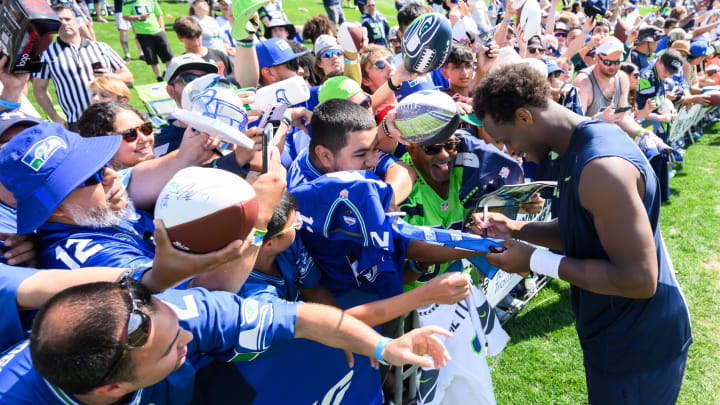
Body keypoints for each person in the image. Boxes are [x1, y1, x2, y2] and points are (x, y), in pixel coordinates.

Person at [472, 63, 691, 404]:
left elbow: (638, 279)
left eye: (506, 140)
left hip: (639, 347)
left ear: (525, 117)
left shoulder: (600, 167)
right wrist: (517, 228)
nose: (509, 151)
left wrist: (533, 260)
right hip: (616, 335)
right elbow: (582, 228)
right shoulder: (582, 144)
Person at [0, 274, 453, 405]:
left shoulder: (182, 314)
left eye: (174, 322)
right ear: (111, 389)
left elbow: (306, 319)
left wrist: (380, 346)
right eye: (171, 349)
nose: (188, 337)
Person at [32, 4, 132, 131]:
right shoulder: (46, 54)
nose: (64, 23)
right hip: (79, 122)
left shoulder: (100, 47)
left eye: (67, 19)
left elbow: (129, 77)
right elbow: (39, 89)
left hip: (113, 117)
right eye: (59, 20)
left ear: (77, 21)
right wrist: (55, 117)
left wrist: (111, 76)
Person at [153, 54, 219, 157]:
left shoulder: (230, 121)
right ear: (171, 91)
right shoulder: (160, 143)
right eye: (189, 79)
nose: (199, 85)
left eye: (205, 79)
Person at [77, 102, 154, 170]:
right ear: (104, 145)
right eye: (130, 134)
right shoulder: (113, 184)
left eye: (145, 128)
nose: (144, 138)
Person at [122, 0, 174, 82]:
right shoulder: (129, 2)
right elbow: (125, 16)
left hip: (157, 31)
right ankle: (159, 77)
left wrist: (162, 29)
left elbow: (159, 14)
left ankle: (169, 75)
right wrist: (139, 17)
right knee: (152, 58)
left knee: (168, 56)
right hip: (143, 33)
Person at [173, 16, 236, 83]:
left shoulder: (219, 55)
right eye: (191, 39)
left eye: (198, 36)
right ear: (179, 38)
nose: (197, 43)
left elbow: (235, 75)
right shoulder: (180, 64)